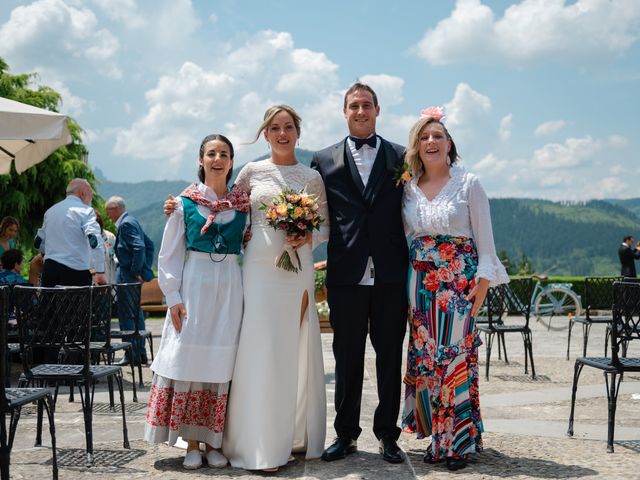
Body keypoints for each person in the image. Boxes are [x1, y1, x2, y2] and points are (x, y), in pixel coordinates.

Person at [222, 105, 329, 472]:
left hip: (295, 270)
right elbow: (228, 211)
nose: (282, 134)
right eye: (274, 128)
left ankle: (290, 437)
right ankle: (255, 442)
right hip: (257, 268)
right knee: (259, 347)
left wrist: (308, 235)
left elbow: (327, 226)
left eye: (288, 127)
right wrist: (182, 204)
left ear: (298, 132)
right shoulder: (250, 171)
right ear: (265, 134)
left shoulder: (311, 177)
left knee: (288, 349)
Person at [400, 108, 509, 471]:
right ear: (417, 146)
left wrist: (482, 285)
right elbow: (406, 239)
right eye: (424, 137)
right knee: (427, 358)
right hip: (420, 285)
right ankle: (437, 435)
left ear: (449, 144)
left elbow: (486, 242)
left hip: (458, 283)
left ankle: (457, 441)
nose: (431, 142)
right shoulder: (408, 188)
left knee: (455, 357)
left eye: (438, 136)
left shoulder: (469, 183)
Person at [311, 82, 408, 464]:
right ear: (344, 111)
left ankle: (388, 435)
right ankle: (346, 434)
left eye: (367, 105)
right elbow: (316, 212)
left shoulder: (403, 157)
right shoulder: (323, 159)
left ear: (378, 110)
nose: (360, 111)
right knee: (347, 357)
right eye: (354, 106)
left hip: (390, 273)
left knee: (389, 357)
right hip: (346, 273)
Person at [145, 134, 249, 470]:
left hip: (231, 286)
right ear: (201, 160)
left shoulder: (242, 205)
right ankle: (191, 442)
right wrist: (172, 297)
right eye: (211, 154)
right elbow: (169, 254)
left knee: (221, 362)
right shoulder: (183, 203)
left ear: (232, 162)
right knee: (190, 359)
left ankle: (213, 441)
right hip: (195, 285)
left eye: (224, 154)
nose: (217, 159)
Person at [105, 196, 155, 365]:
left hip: (127, 275)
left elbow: (140, 247)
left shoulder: (125, 224)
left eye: (108, 211)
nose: (108, 215)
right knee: (135, 313)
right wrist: (144, 268)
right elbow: (149, 245)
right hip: (130, 274)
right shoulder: (132, 220)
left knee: (126, 314)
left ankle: (131, 354)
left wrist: (136, 271)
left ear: (114, 209)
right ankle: (139, 353)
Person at [36, 178, 107, 287]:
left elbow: (38, 242)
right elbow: (94, 240)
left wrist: (49, 254)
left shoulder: (50, 211)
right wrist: (100, 272)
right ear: (83, 193)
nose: (90, 201)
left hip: (49, 272)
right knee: (76, 304)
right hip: (75, 273)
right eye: (91, 197)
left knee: (50, 304)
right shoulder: (86, 211)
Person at [95, 210, 117, 284]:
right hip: (94, 280)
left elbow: (117, 255)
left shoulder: (110, 237)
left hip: (110, 279)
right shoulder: (86, 238)